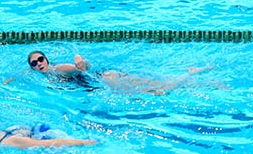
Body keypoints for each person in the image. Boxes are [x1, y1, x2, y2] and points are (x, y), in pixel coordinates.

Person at [27, 50, 213, 95]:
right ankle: (199, 77)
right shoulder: (45, 74)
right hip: (106, 78)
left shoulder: (55, 70)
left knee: (159, 89)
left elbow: (72, 69)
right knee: (158, 86)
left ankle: (191, 73)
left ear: (47, 60)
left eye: (40, 59)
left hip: (107, 80)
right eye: (34, 63)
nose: (38, 63)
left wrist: (78, 64)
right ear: (32, 68)